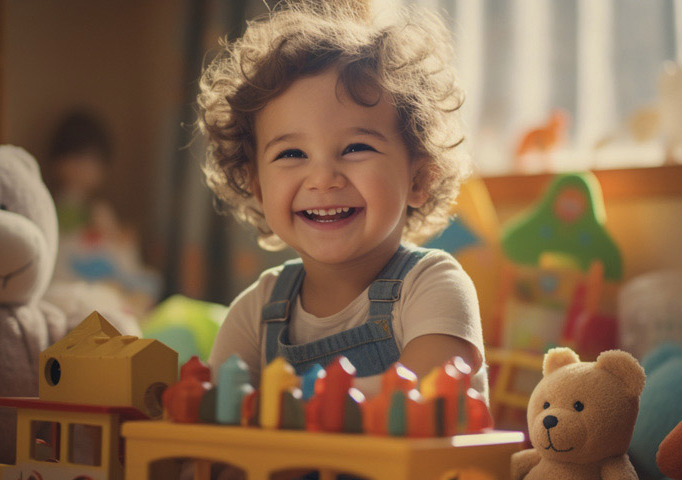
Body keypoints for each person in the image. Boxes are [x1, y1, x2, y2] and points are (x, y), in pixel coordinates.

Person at [201, 0, 486, 398]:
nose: (322, 178)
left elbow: (431, 393)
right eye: (291, 154)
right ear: (258, 187)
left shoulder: (432, 286)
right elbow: (218, 422)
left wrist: (292, 401)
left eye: (355, 148)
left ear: (419, 177)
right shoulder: (256, 312)